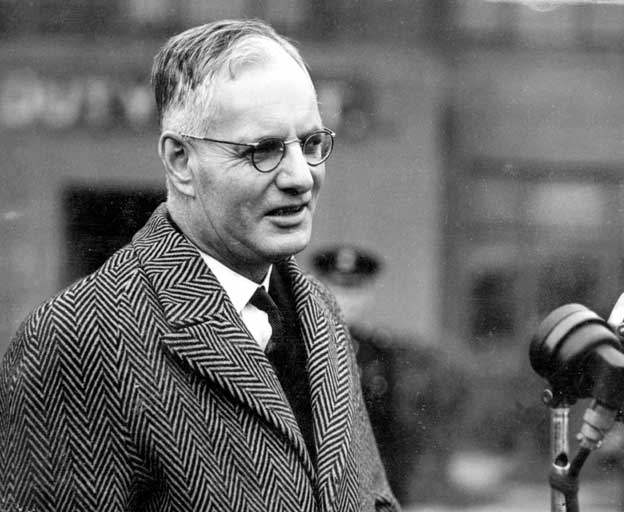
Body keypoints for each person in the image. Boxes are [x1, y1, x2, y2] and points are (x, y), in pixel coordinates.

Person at [0, 19, 398, 512]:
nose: (301, 177)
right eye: (264, 150)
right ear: (180, 161)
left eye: (312, 143)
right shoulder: (77, 338)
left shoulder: (320, 315)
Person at [310, 246, 466, 504]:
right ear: (319, 289)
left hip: (368, 477)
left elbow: (392, 429)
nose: (346, 299)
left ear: (369, 295)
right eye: (338, 288)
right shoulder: (303, 343)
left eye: (355, 289)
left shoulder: (380, 351)